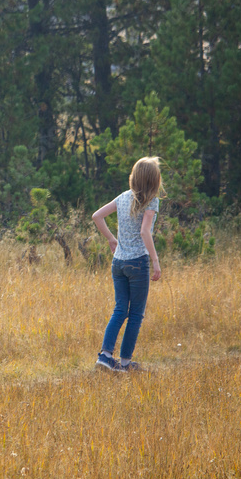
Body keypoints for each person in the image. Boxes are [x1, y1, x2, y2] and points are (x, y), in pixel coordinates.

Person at [91, 156, 164, 372]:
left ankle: (104, 357)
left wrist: (111, 239)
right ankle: (124, 364)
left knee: (120, 309)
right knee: (136, 314)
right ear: (153, 181)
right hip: (137, 263)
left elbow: (97, 216)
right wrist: (155, 260)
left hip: (118, 263)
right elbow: (144, 232)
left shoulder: (123, 197)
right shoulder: (151, 202)